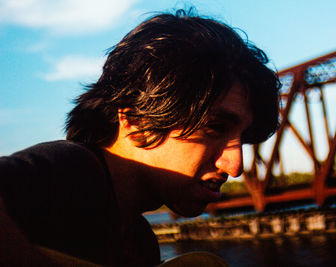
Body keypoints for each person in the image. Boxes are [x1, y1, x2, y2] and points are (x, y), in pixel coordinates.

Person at [0, 8, 280, 266]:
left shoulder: (141, 242)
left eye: (242, 139)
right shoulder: (71, 171)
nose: (235, 166)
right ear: (136, 120)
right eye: (215, 128)